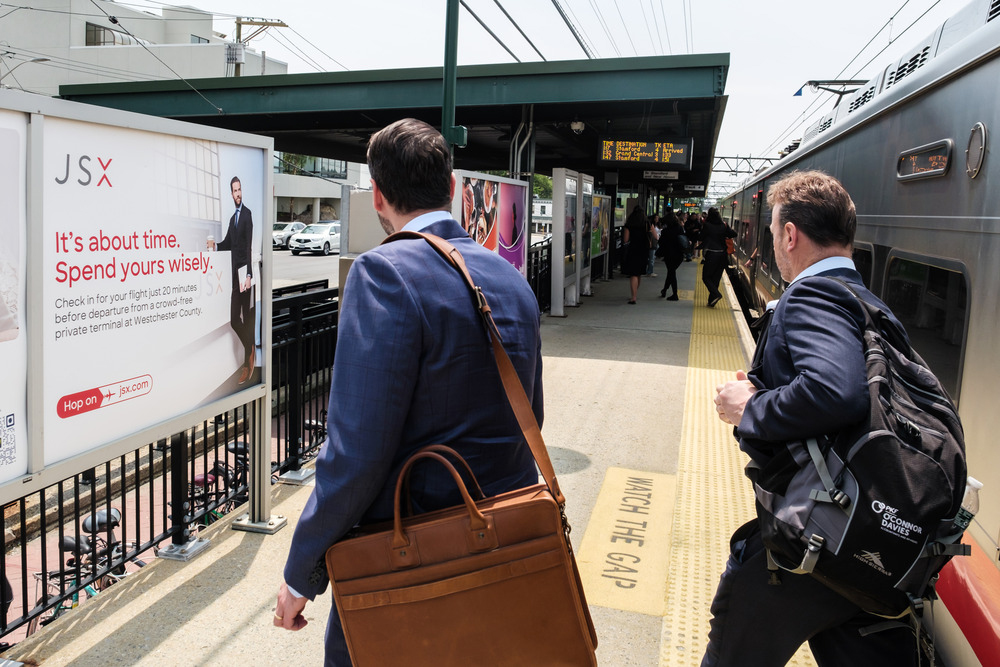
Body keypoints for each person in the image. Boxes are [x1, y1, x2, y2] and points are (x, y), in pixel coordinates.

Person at [274, 118, 544, 666]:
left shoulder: (384, 274)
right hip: (503, 552)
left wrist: (302, 570)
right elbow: (530, 419)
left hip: (411, 563)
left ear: (378, 194)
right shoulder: (511, 278)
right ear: (450, 188)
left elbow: (355, 451)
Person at [704, 170, 917, 667]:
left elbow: (835, 392)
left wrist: (749, 407)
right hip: (874, 545)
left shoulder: (809, 296)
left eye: (774, 232)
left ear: (790, 234)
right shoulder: (871, 307)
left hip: (815, 543)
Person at [209, 176, 255, 383]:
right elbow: (229, 243)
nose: (237, 193)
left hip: (244, 277)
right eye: (234, 191)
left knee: (245, 317)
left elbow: (248, 248)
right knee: (235, 320)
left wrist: (248, 276)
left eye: (239, 190)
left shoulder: (247, 215)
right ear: (231, 194)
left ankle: (247, 365)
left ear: (242, 191)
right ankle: (251, 347)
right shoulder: (231, 219)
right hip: (234, 277)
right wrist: (216, 246)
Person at [699, 207, 736, 308]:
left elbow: (701, 237)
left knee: (706, 277)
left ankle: (716, 294)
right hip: (723, 255)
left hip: (711, 253)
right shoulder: (724, 225)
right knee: (716, 278)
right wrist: (724, 235)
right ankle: (711, 301)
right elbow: (734, 234)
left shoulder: (707, 225)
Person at [620, 207, 652, 304]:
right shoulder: (647, 223)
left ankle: (633, 297)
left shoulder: (629, 224)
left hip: (633, 250)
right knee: (638, 273)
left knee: (633, 273)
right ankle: (635, 293)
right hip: (644, 250)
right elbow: (652, 237)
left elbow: (626, 240)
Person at [657, 211, 685, 300]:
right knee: (671, 272)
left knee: (671, 273)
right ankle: (664, 290)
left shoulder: (665, 231)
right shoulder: (680, 228)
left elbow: (661, 243)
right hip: (680, 255)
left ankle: (675, 294)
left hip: (669, 255)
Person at [645, 213, 660, 277]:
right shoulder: (651, 225)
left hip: (646, 243)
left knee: (648, 257)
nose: (657, 219)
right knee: (651, 258)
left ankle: (646, 270)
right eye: (656, 218)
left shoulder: (645, 225)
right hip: (652, 243)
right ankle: (650, 271)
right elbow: (656, 236)